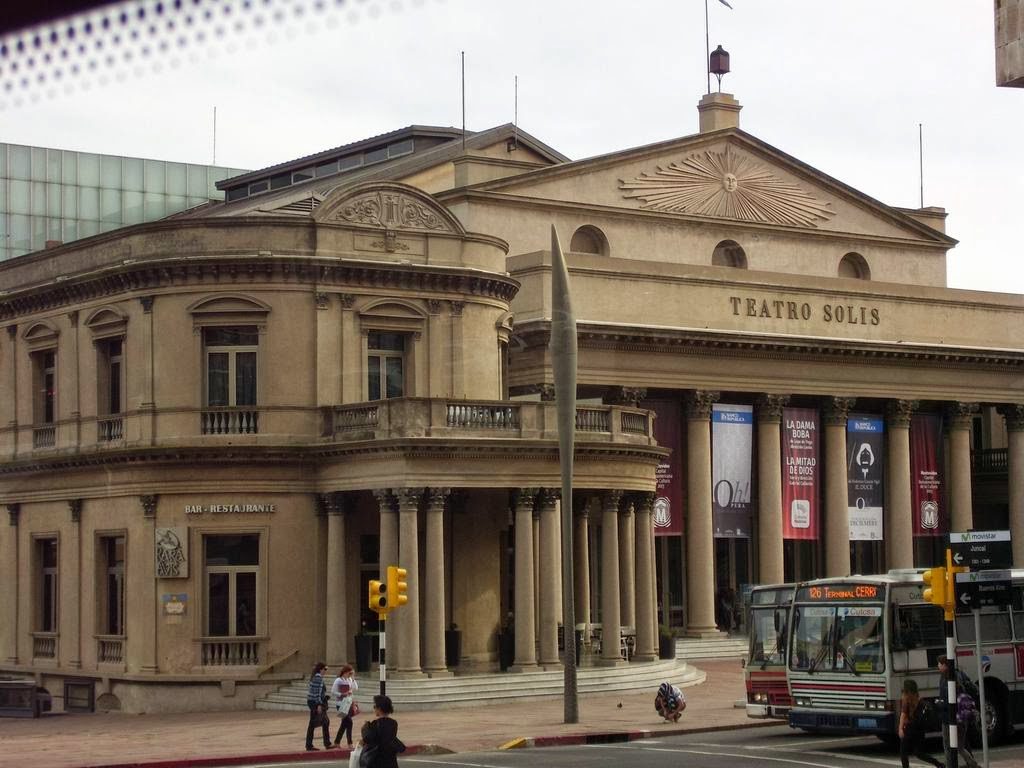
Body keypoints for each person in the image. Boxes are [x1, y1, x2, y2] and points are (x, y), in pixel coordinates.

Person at [936, 656, 980, 768]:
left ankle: (954, 765)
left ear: (945, 665)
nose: (938, 666)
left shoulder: (947, 678)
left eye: (940, 664)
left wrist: (939, 703)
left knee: (948, 745)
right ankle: (972, 764)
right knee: (960, 744)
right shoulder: (959, 673)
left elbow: (949, 700)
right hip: (962, 715)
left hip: (950, 717)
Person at [898, 679, 943, 768]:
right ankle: (938, 764)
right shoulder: (919, 700)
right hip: (919, 730)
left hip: (911, 728)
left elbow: (903, 715)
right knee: (918, 753)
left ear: (908, 690)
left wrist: (900, 729)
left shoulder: (906, 699)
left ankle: (938, 764)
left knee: (904, 752)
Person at [359, 694, 404, 768]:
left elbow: (367, 739)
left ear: (379, 708)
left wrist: (365, 728)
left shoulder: (375, 724)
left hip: (377, 760)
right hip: (390, 759)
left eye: (375, 707)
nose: (374, 709)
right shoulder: (393, 723)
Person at [304, 661, 334, 752]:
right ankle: (310, 745)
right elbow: (317, 693)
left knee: (324, 722)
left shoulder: (315, 677)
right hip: (315, 703)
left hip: (312, 702)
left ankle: (326, 743)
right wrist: (319, 705)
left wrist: (324, 697)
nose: (325, 671)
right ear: (320, 669)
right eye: (325, 669)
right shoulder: (318, 678)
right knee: (315, 723)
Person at [332, 663, 359, 748]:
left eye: (351, 673)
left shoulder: (349, 680)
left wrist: (353, 678)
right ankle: (350, 743)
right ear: (345, 672)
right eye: (349, 673)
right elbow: (333, 692)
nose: (350, 675)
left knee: (344, 724)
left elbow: (355, 688)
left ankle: (337, 742)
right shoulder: (338, 680)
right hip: (341, 704)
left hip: (348, 703)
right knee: (349, 722)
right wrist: (343, 694)